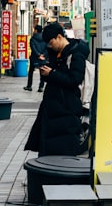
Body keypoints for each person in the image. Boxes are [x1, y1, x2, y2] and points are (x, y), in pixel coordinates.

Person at [24, 22, 89, 157]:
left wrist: (52, 74)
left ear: (59, 37)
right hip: (52, 108)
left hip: (66, 109)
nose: (49, 45)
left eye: (51, 42)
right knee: (47, 148)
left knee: (62, 151)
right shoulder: (55, 53)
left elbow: (74, 80)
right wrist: (47, 72)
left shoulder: (75, 54)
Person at [23, 22, 46, 92]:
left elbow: (33, 48)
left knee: (31, 72)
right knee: (42, 72)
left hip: (34, 57)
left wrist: (38, 55)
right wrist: (43, 55)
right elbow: (47, 47)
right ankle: (41, 87)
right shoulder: (45, 38)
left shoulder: (33, 38)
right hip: (43, 57)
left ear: (36, 30)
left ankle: (29, 86)